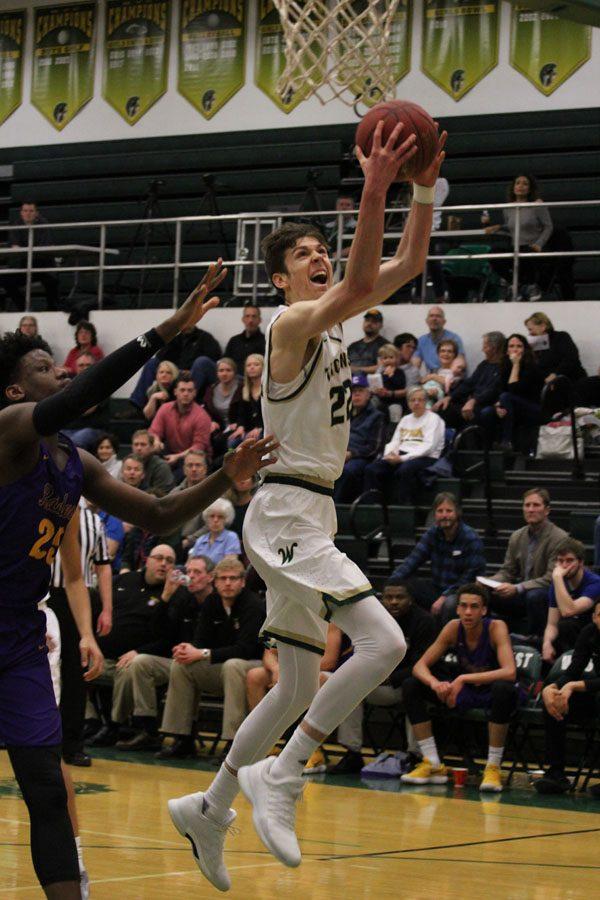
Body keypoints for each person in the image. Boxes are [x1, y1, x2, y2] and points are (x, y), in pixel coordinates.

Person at [165, 119, 446, 891]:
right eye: (303, 253)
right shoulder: (290, 326)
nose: (319, 256)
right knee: (383, 644)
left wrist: (423, 185)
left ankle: (211, 806)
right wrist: (376, 187)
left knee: (294, 683)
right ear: (281, 280)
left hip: (310, 514)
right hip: (286, 514)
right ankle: (284, 774)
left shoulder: (334, 326)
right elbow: (360, 282)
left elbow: (410, 261)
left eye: (323, 246)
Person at [0, 262, 276, 897]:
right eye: (43, 366)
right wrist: (169, 330)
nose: (59, 372)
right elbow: (77, 396)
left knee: (45, 784)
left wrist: (225, 476)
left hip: (17, 634)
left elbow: (156, 513)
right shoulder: (12, 429)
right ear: (16, 391)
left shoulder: (71, 461)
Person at [401, 583, 522, 793]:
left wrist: (464, 678)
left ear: (484, 610)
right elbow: (420, 666)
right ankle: (433, 763)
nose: (468, 612)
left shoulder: (496, 627)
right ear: (457, 609)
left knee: (503, 689)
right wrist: (435, 683)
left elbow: (509, 672)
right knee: (411, 685)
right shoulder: (452, 627)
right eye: (463, 606)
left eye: (474, 606)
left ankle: (492, 767)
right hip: (466, 690)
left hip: (493, 689)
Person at [40, 504, 103, 898]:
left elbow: (76, 575)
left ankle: (74, 858)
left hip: (32, 624)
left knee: (48, 757)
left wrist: (86, 634)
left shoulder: (61, 484)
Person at [322, 580, 437, 775]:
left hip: (403, 684)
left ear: (411, 600)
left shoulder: (424, 622)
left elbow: (423, 664)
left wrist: (389, 678)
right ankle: (353, 753)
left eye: (399, 597)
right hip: (377, 684)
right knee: (348, 686)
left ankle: (415, 755)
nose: (393, 602)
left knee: (413, 688)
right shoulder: (375, 620)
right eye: (388, 597)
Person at [156, 556, 265, 760]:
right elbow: (200, 640)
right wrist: (187, 649)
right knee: (182, 665)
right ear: (215, 582)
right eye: (223, 578)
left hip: (252, 665)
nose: (228, 583)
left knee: (233, 666)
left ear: (242, 581)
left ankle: (234, 743)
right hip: (221, 665)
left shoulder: (253, 605)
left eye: (233, 578)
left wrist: (204, 653)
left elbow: (246, 649)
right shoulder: (212, 602)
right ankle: (182, 738)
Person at [115, 555, 216, 751]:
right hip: (180, 659)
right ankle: (148, 729)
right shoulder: (183, 597)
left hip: (208, 661)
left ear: (210, 577)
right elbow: (160, 633)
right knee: (141, 662)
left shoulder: (218, 601)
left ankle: (182, 737)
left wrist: (197, 651)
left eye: (197, 572)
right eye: (188, 572)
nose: (191, 577)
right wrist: (166, 597)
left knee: (183, 668)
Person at [87, 544, 178, 746]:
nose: (163, 564)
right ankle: (89, 720)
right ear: (147, 560)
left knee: (129, 668)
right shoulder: (123, 580)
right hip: (103, 656)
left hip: (135, 660)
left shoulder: (174, 593)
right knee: (68, 662)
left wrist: (138, 651)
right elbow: (97, 610)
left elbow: (167, 638)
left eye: (169, 561)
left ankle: (113, 726)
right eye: (159, 558)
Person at [48, 500, 113, 767]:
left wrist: (107, 608)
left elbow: (103, 564)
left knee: (77, 672)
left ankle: (72, 744)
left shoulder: (93, 521)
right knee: (38, 667)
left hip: (79, 597)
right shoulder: (39, 507)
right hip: (44, 594)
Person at [535, 602, 600, 797]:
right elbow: (574, 670)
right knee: (555, 701)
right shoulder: (589, 633)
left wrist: (572, 686)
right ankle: (555, 773)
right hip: (594, 691)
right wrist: (552, 688)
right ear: (594, 618)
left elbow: (576, 682)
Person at [391, 492, 486, 620]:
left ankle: (447, 638)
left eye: (449, 511)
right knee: (404, 588)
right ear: (435, 514)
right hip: (437, 588)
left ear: (457, 513)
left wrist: (445, 596)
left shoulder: (471, 538)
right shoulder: (432, 534)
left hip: (462, 592)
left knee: (449, 604)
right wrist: (391, 584)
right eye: (440, 511)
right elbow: (412, 561)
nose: (444, 515)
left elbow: (470, 577)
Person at [489, 487, 568, 638]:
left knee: (535, 596)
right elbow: (507, 571)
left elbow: (550, 578)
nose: (531, 509)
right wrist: (488, 582)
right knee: (483, 594)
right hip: (522, 594)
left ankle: (535, 641)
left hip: (547, 596)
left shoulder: (560, 538)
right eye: (527, 505)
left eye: (536, 505)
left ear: (547, 510)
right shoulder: (517, 536)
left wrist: (517, 588)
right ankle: (488, 638)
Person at [363, 386, 445, 502]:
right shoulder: (405, 419)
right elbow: (395, 441)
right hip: (401, 455)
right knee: (371, 469)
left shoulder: (434, 419)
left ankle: (403, 508)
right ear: (408, 403)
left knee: (404, 470)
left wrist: (401, 458)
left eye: (420, 400)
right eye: (413, 400)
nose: (416, 403)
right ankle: (373, 506)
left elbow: (429, 447)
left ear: (426, 402)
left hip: (426, 457)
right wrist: (390, 454)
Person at [125, 324, 222, 416]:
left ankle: (187, 403)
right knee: (152, 363)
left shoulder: (205, 337)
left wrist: (191, 370)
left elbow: (215, 361)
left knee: (201, 362)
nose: (186, 323)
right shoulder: (175, 338)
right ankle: (137, 405)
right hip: (176, 372)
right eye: (183, 320)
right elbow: (160, 357)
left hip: (196, 374)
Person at [483, 174, 553, 301]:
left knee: (526, 254)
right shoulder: (508, 208)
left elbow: (548, 226)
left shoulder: (537, 205)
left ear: (530, 188)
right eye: (518, 183)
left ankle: (528, 286)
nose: (520, 186)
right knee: (493, 254)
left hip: (532, 246)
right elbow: (512, 228)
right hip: (515, 247)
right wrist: (497, 227)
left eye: (525, 184)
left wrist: (539, 244)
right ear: (513, 187)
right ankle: (517, 284)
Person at [542, 538, 600, 664]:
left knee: (567, 624)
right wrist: (547, 643)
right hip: (573, 633)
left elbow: (569, 610)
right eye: (560, 561)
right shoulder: (557, 583)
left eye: (569, 560)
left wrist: (557, 577)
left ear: (580, 562)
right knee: (552, 638)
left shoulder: (595, 582)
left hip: (594, 634)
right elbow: (552, 623)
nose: (564, 566)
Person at [437, 332, 504, 433]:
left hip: (486, 403)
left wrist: (474, 401)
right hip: (472, 402)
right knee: (444, 408)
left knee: (470, 414)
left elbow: (493, 390)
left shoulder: (504, 367)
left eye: (485, 347)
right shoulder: (484, 364)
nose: (482, 350)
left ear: (493, 348)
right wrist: (450, 397)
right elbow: (469, 383)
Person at [333, 373, 385, 503]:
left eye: (360, 391)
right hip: (339, 454)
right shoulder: (342, 415)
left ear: (369, 394)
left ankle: (336, 507)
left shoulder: (377, 416)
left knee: (346, 471)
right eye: (353, 391)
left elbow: (375, 448)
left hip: (361, 458)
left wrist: (352, 454)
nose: (356, 394)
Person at [1, 201, 61, 311]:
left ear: (36, 213)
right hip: (24, 266)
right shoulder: (16, 225)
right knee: (5, 280)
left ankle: (52, 308)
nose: (28, 213)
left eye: (31, 211)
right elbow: (15, 246)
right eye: (25, 211)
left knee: (52, 280)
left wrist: (23, 250)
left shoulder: (43, 224)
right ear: (21, 213)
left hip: (42, 267)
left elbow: (44, 248)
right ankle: (24, 308)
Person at [149, 370, 214, 470]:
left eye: (189, 390)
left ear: (195, 393)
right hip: (171, 453)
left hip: (196, 459)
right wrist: (156, 441)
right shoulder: (165, 408)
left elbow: (198, 447)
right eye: (182, 390)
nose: (186, 394)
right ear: (175, 392)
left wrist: (177, 457)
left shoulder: (202, 416)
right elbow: (154, 432)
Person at [490, 333, 544, 452]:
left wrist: (516, 365)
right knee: (486, 412)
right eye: (511, 346)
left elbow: (514, 390)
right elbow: (501, 390)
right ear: (506, 350)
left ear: (525, 350)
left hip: (533, 407)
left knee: (506, 397)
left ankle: (507, 441)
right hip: (511, 404)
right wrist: (498, 406)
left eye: (519, 346)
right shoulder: (504, 365)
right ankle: (491, 446)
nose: (515, 349)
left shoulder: (532, 367)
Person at [524, 312, 586, 385]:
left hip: (570, 380)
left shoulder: (561, 337)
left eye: (531, 329)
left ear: (543, 326)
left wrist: (556, 374)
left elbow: (571, 359)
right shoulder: (534, 344)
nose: (530, 333)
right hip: (547, 384)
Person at [412, 306, 465, 374]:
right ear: (427, 321)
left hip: (451, 376)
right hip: (431, 380)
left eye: (438, 316)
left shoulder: (454, 338)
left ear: (444, 322)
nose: (434, 319)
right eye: (431, 316)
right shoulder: (421, 340)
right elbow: (415, 363)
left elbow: (460, 361)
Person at [189, 498, 242, 564]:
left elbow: (229, 565)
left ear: (226, 519)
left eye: (220, 517)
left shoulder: (231, 537)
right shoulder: (200, 540)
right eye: (212, 516)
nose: (215, 520)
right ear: (206, 518)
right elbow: (190, 564)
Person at [228, 353, 264, 445]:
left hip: (265, 428)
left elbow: (271, 414)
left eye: (256, 364)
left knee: (251, 442)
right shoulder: (243, 389)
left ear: (263, 367)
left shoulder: (268, 389)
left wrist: (260, 427)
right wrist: (241, 427)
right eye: (248, 365)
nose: (252, 367)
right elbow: (241, 412)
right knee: (232, 442)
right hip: (249, 428)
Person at [131, 429, 175, 497]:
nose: (139, 448)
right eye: (136, 444)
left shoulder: (161, 467)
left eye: (143, 445)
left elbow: (162, 497)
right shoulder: (128, 463)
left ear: (152, 447)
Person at [424, 338, 465, 409]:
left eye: (449, 351)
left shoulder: (457, 371)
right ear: (438, 354)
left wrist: (433, 377)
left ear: (454, 355)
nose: (446, 354)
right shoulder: (434, 370)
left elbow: (452, 385)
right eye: (442, 351)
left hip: (447, 405)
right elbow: (422, 381)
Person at [224, 303, 266, 371]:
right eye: (247, 316)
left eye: (254, 316)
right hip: (235, 379)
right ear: (243, 319)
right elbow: (225, 362)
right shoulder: (234, 341)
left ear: (260, 320)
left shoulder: (266, 341)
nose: (250, 320)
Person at [348, 309, 389, 375]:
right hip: (350, 382)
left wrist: (357, 369)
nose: (369, 324)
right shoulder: (353, 346)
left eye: (374, 321)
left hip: (372, 383)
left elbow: (384, 366)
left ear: (381, 325)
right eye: (367, 320)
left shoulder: (385, 346)